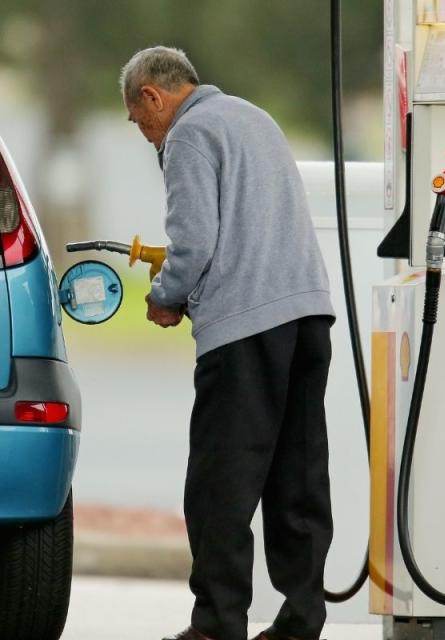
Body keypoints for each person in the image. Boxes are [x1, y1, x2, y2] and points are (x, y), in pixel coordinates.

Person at [119, 46, 336, 640]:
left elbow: (193, 241)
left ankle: (216, 626)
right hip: (308, 317)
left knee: (220, 482)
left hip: (245, 328)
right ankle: (299, 624)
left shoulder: (189, 135)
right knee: (299, 479)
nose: (146, 137)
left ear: (152, 97)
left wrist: (165, 295)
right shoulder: (251, 117)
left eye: (141, 124)